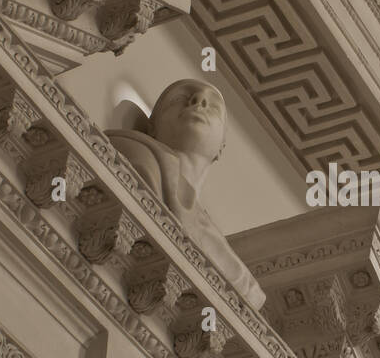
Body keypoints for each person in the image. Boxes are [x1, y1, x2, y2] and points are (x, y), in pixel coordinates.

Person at [108, 78, 265, 310]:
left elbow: (252, 299)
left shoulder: (238, 271)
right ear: (152, 127)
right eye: (180, 98)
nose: (198, 101)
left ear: (221, 147)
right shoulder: (135, 159)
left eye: (212, 105)